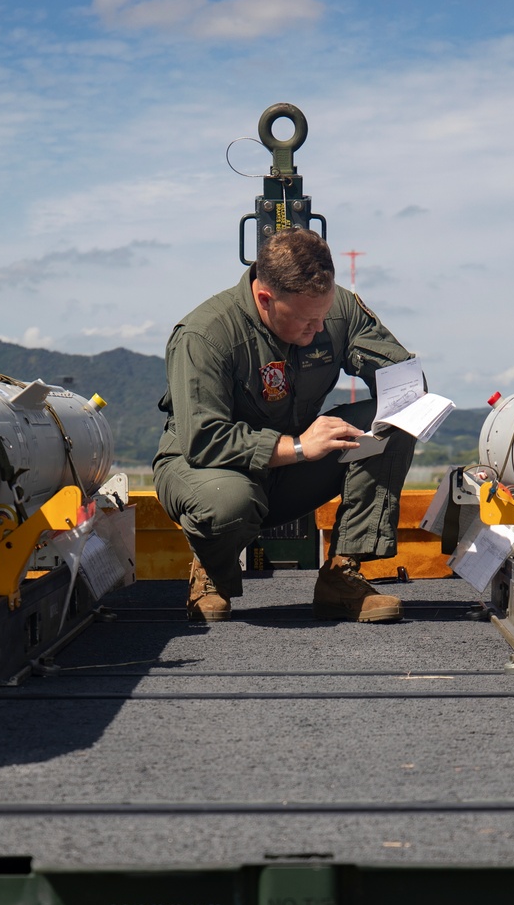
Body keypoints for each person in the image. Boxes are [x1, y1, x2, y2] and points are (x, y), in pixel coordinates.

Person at [153, 227, 417, 623]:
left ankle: (341, 577)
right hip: (209, 470)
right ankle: (212, 572)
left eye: (324, 316)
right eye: (307, 321)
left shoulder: (331, 310)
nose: (318, 329)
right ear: (265, 299)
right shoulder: (206, 335)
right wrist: (298, 448)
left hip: (290, 471)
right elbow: (204, 440)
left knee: (397, 419)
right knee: (229, 502)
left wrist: (410, 393)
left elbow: (399, 371)